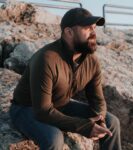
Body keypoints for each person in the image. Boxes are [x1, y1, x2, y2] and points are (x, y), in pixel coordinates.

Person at [9, 7, 122, 150]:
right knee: (54, 138)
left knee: (112, 122)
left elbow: (97, 99)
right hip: (27, 108)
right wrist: (83, 126)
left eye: (93, 28)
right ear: (69, 32)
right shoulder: (46, 59)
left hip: (60, 104)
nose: (93, 32)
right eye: (87, 28)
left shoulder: (91, 60)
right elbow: (42, 110)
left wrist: (100, 120)